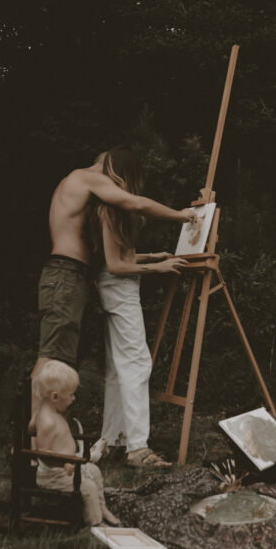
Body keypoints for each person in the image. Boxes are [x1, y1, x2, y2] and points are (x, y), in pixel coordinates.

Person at [32, 145, 195, 421]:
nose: (118, 185)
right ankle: (37, 433)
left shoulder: (73, 183)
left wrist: (150, 256)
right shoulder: (88, 177)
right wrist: (183, 216)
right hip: (66, 275)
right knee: (52, 356)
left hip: (68, 275)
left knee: (58, 355)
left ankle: (43, 432)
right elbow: (136, 203)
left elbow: (108, 256)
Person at [87, 147, 191, 468]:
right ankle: (137, 448)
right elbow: (116, 266)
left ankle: (113, 439)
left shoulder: (111, 208)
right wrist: (155, 269)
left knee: (119, 368)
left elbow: (119, 259)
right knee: (136, 363)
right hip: (118, 288)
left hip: (114, 286)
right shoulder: (108, 209)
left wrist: (152, 256)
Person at [30, 358, 120, 526]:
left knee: (94, 470)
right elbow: (43, 453)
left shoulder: (48, 413)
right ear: (55, 397)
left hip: (68, 467)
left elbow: (30, 429)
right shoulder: (48, 421)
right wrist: (64, 461)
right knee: (88, 487)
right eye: (70, 394)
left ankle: (101, 508)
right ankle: (95, 523)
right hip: (53, 475)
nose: (73, 398)